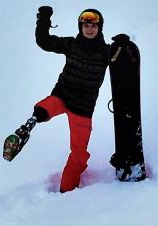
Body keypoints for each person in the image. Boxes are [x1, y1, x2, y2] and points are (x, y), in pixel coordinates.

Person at [11, 7, 111, 193]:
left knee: (79, 154)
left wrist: (124, 46)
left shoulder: (107, 53)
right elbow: (44, 42)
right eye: (86, 25)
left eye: (94, 26)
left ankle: (67, 192)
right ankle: (30, 123)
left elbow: (125, 60)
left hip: (83, 109)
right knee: (44, 108)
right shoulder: (71, 45)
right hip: (62, 96)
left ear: (100, 28)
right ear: (80, 27)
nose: (89, 29)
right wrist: (43, 19)